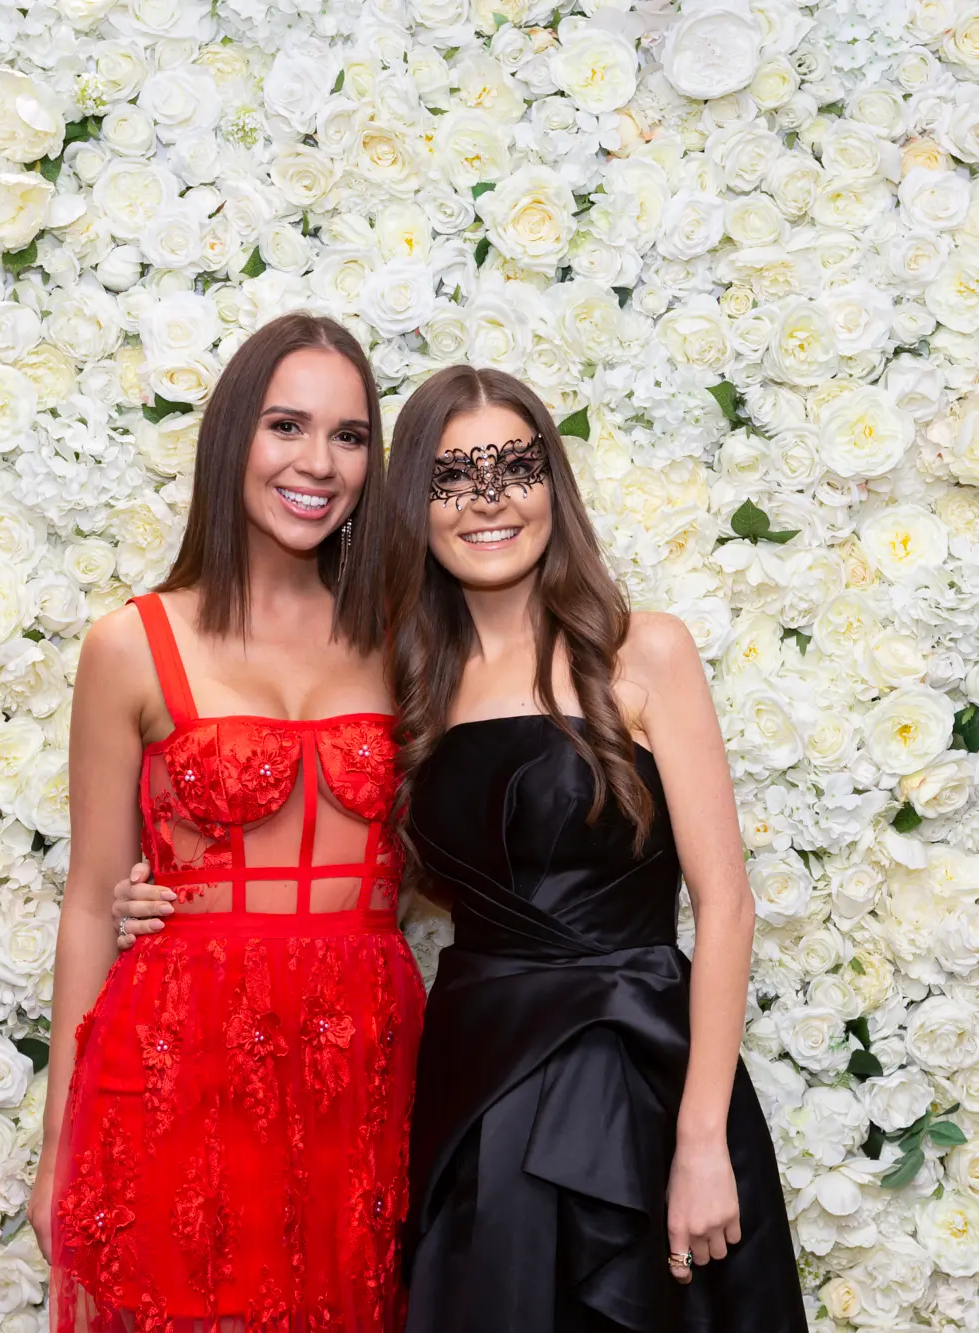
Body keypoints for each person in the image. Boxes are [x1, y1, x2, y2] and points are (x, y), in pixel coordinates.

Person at [115, 365, 807, 1332]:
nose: (487, 499)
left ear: (552, 488)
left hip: (637, 1069)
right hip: (475, 1070)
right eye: (451, 475)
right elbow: (375, 855)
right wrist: (164, 893)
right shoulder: (407, 677)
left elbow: (726, 905)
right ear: (414, 508)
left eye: (512, 466)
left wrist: (701, 1137)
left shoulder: (644, 650)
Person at [31, 312, 426, 1333]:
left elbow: (452, 843)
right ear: (229, 440)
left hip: (363, 1065)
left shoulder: (402, 636)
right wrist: (56, 1149)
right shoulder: (129, 642)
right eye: (284, 425)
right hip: (180, 1059)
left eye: (348, 436)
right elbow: (87, 903)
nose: (318, 462)